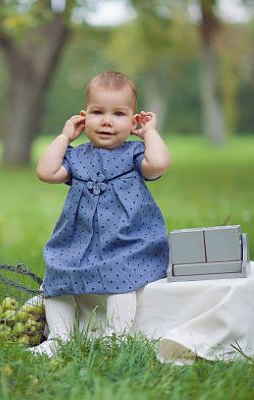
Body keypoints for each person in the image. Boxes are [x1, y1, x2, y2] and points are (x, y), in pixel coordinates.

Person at [32, 71, 170, 356]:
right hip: (78, 240)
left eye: (118, 114)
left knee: (122, 281)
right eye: (98, 112)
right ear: (85, 117)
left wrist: (150, 133)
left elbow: (158, 164)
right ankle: (59, 338)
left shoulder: (134, 154)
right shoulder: (77, 156)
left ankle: (116, 336)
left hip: (126, 241)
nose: (107, 121)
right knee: (56, 278)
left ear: (132, 122)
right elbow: (46, 172)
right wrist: (65, 136)